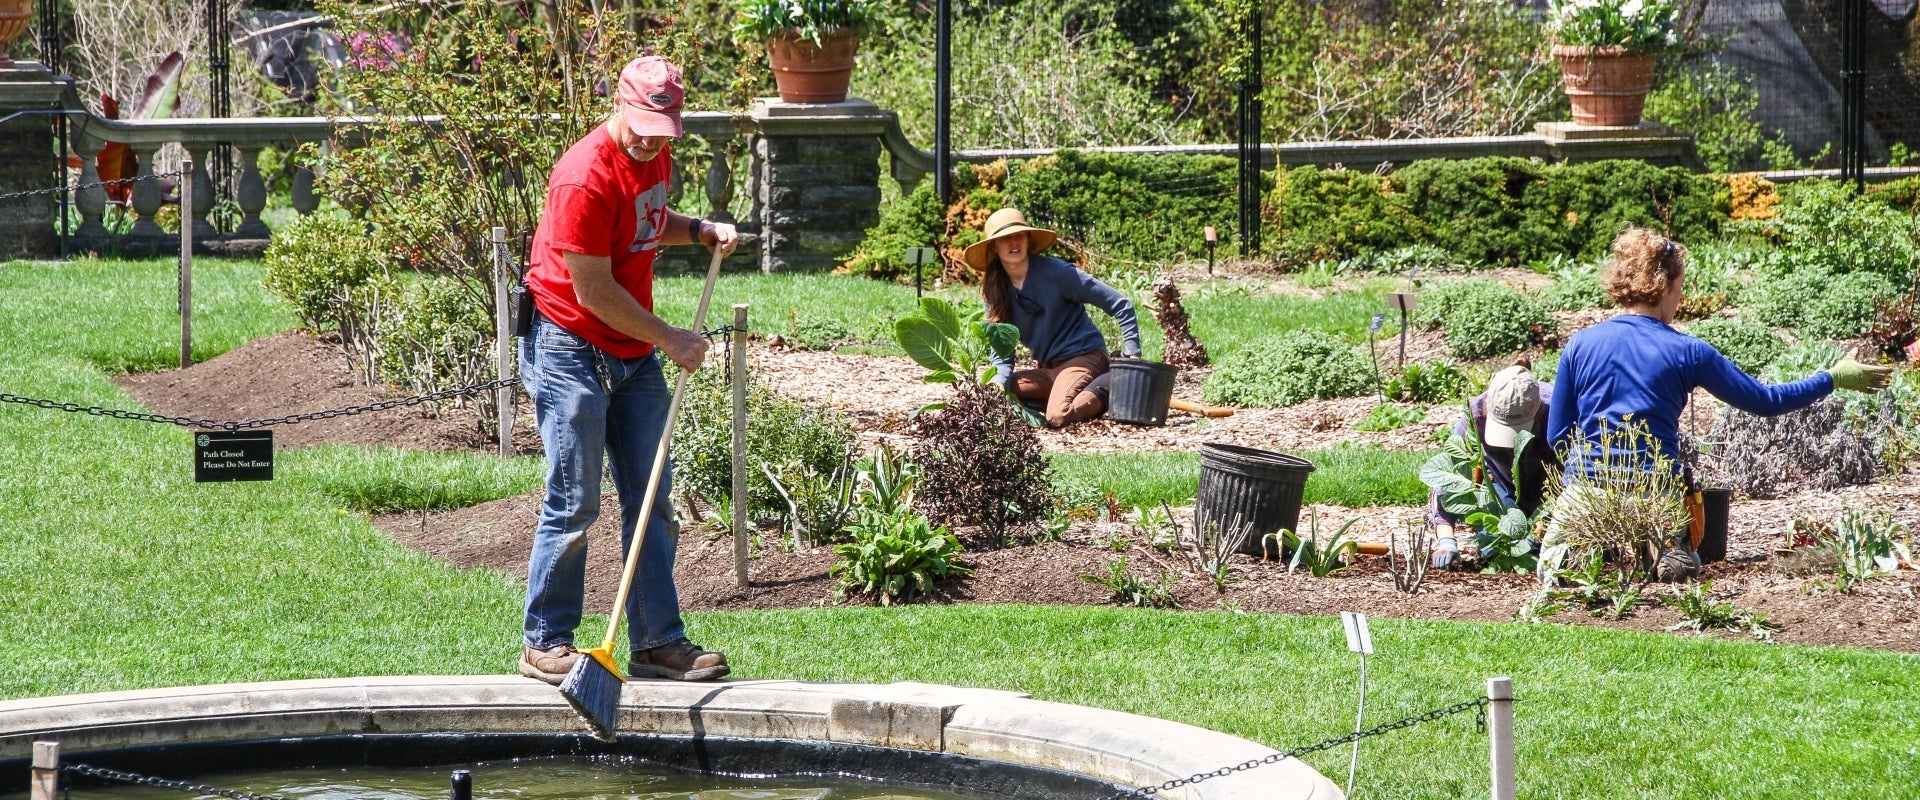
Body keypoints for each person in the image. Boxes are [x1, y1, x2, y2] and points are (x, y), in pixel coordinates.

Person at [516, 55, 739, 684]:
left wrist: (696, 229)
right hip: (570, 341)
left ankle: (657, 641)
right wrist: (671, 338)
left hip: (631, 348)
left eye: (662, 129)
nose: (649, 140)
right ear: (618, 103)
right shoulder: (582, 177)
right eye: (641, 124)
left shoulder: (654, 153)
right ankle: (545, 641)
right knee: (575, 498)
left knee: (652, 500)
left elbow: (643, 221)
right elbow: (594, 291)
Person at [1544, 226, 1890, 580]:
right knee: (1681, 566)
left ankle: (1589, 554)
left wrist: (1595, 469)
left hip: (1586, 494)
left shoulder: (1580, 344)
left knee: (1557, 573)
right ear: (1663, 286)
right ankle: (1666, 553)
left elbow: (1557, 436)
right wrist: (1831, 377)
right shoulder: (1688, 351)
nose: (1679, 298)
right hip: (1653, 494)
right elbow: (1765, 401)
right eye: (1680, 288)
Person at [962, 208, 1142, 427]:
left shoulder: (1058, 273)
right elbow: (1002, 355)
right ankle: (1072, 392)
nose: (1013, 243)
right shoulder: (995, 291)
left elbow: (1119, 303)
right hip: (1047, 370)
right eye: (1005, 239)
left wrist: (1132, 354)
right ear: (994, 247)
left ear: (1028, 239)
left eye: (1018, 235)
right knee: (995, 396)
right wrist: (998, 382)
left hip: (1084, 358)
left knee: (1057, 416)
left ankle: (1113, 382)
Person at [1427, 362, 1561, 570]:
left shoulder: (1559, 411)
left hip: (1554, 495)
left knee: (1567, 553)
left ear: (1538, 412)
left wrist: (1544, 527)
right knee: (1493, 550)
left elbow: (1580, 475)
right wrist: (1446, 540)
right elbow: (1448, 475)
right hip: (1502, 486)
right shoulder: (1476, 412)